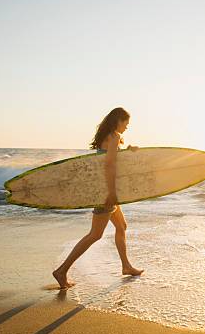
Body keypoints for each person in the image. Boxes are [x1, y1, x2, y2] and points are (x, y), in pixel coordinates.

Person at [52, 107, 144, 289]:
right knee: (95, 234)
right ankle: (61, 271)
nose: (127, 127)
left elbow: (111, 157)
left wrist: (128, 150)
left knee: (121, 226)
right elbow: (109, 165)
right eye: (127, 123)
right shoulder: (115, 136)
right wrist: (111, 193)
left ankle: (126, 266)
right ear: (119, 120)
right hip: (105, 192)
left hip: (103, 190)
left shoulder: (109, 136)